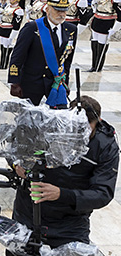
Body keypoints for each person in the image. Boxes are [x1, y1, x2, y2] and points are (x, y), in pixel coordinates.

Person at [8, 95, 118, 255]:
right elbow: (13, 145)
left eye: (86, 129)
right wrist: (16, 164)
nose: (80, 135)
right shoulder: (49, 126)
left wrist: (62, 194)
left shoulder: (106, 147)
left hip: (70, 224)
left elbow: (103, 193)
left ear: (99, 121)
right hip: (28, 213)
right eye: (75, 128)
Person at [8, 0, 77, 108]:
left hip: (56, 84)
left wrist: (66, 83)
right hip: (33, 84)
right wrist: (14, 81)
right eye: (57, 10)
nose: (62, 14)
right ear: (47, 9)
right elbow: (17, 56)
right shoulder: (32, 28)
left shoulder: (71, 30)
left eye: (64, 11)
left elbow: (67, 60)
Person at [89, 0, 118, 73]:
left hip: (107, 20)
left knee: (101, 46)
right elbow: (95, 3)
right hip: (97, 18)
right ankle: (93, 65)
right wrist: (94, 3)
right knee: (94, 44)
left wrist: (115, 28)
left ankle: (98, 66)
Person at [0, 0, 24, 70]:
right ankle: (1, 64)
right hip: (2, 28)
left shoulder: (18, 10)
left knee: (6, 47)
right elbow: (2, 17)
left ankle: (5, 64)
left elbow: (16, 25)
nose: (10, 0)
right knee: (2, 47)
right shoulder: (8, 6)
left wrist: (12, 36)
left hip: (9, 30)